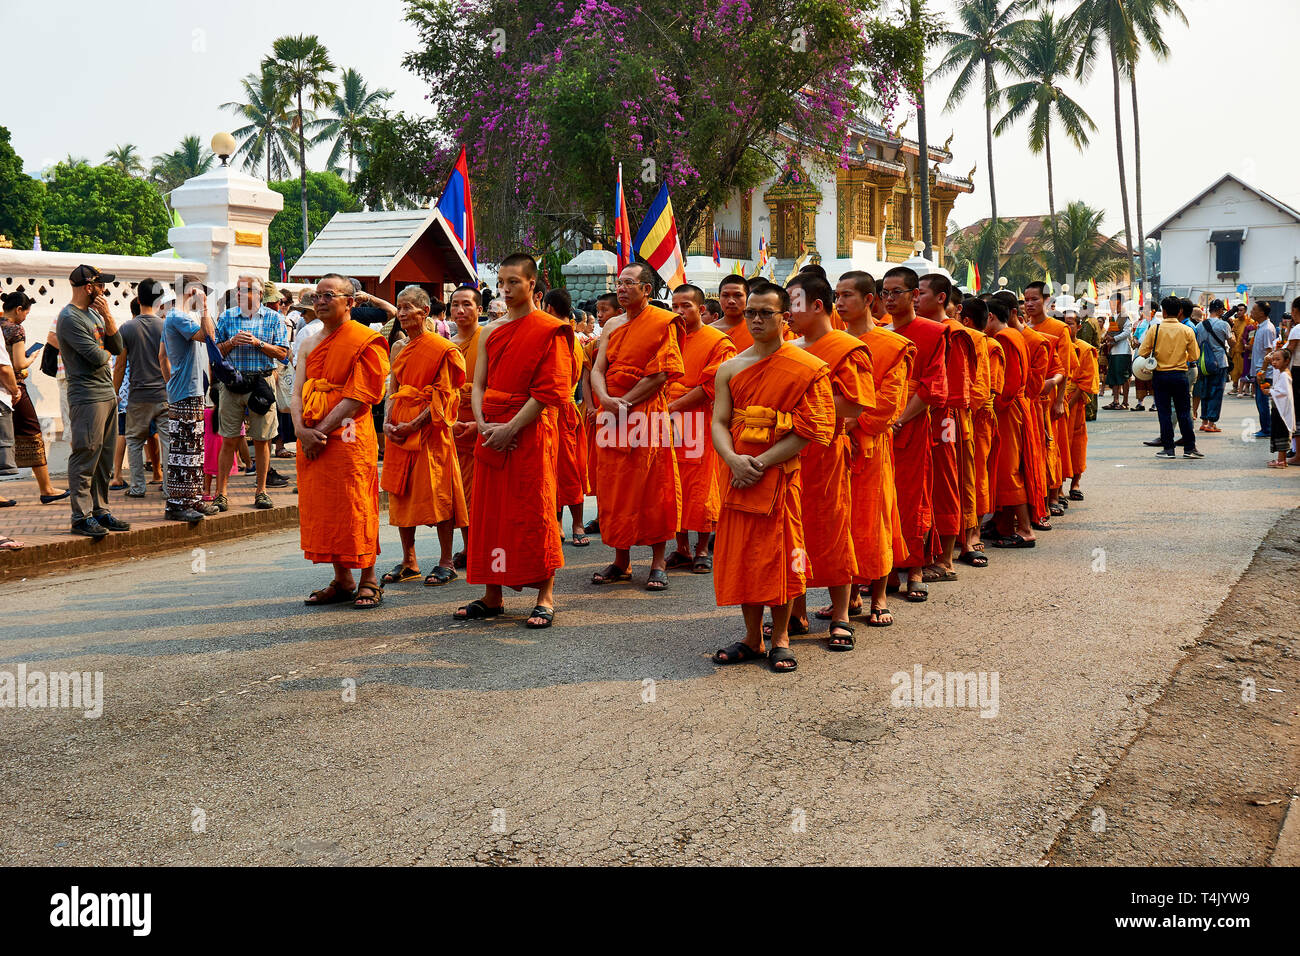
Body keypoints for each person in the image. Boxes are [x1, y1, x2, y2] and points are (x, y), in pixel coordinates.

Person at [710, 282, 835, 673]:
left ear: (785, 317)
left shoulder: (806, 366)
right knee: (744, 556)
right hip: (736, 475)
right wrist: (732, 459)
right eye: (751, 313)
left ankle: (780, 636)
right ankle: (751, 636)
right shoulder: (730, 368)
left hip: (777, 476)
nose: (757, 320)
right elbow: (718, 421)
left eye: (766, 312)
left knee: (780, 557)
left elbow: (811, 429)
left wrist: (759, 462)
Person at [454, 253, 573, 629]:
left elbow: (549, 390)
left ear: (532, 284)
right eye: (501, 282)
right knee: (490, 512)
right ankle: (493, 593)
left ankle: (545, 595)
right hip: (492, 427)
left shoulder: (549, 329)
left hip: (530, 430)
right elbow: (479, 384)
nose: (505, 290)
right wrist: (485, 422)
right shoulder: (491, 330)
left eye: (514, 283)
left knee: (534, 508)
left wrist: (511, 428)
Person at [783, 271, 871, 650]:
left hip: (827, 452)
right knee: (793, 533)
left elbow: (855, 402)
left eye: (794, 303)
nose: (787, 312)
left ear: (817, 306)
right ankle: (796, 611)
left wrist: (799, 404)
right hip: (789, 453)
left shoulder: (844, 347)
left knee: (833, 530)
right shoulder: (789, 347)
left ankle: (840, 615)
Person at [293, 273, 392, 609]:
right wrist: (300, 430)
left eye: (328, 295)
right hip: (311, 438)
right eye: (317, 296)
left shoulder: (366, 339)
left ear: (350, 302)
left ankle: (368, 578)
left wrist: (318, 429)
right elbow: (296, 392)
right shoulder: (307, 341)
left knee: (355, 505)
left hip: (349, 437)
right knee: (326, 506)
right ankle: (342, 578)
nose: (320, 302)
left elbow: (360, 396)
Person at [589, 262, 684, 592]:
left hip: (645, 413)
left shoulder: (662, 322)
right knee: (614, 485)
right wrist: (604, 398)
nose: (621, 288)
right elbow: (598, 368)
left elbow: (660, 374)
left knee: (652, 485)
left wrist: (624, 402)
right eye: (619, 283)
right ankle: (621, 559)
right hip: (611, 412)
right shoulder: (612, 324)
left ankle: (657, 562)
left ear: (646, 290)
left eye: (629, 283)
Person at [836, 270, 912, 627]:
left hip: (870, 445)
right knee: (840, 521)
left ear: (869, 300)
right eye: (836, 296)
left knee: (874, 519)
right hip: (835, 447)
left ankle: (878, 596)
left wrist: (852, 423)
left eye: (847, 295)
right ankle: (847, 594)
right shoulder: (830, 342)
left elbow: (889, 403)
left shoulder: (891, 345)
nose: (839, 303)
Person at [379, 286, 467, 587]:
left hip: (430, 432)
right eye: (399, 308)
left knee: (438, 493)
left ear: (424, 312)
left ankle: (445, 561)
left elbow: (444, 395)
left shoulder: (442, 348)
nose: (401, 314)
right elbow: (393, 388)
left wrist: (415, 424)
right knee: (400, 493)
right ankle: (409, 560)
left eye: (407, 308)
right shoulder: (398, 348)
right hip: (399, 431)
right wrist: (388, 422)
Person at [880, 266, 947, 603]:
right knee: (880, 498)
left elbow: (933, 385)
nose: (890, 299)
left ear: (914, 295)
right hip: (875, 427)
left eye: (897, 292)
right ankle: (886, 569)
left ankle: (915, 568)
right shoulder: (877, 332)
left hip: (912, 424)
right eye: (885, 293)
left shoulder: (933, 332)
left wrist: (900, 419)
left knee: (912, 497)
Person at [57, 265, 132, 537]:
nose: (104, 290)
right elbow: (100, 357)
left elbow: (118, 347)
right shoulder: (69, 318)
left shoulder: (95, 314)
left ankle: (101, 510)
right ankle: (81, 516)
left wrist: (109, 316)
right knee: (86, 454)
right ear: (89, 287)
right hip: (87, 396)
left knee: (104, 459)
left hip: (106, 394)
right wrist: (107, 346)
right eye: (101, 285)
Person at [664, 284, 735, 572]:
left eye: (686, 306)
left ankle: (702, 547)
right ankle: (680, 547)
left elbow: (712, 385)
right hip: (668, 419)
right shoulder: (667, 337)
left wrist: (674, 406)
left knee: (702, 486)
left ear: (701, 309)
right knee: (673, 482)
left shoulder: (717, 341)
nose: (679, 312)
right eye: (675, 306)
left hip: (700, 419)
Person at [214, 275, 290, 511]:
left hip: (261, 383)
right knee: (228, 439)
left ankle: (262, 491)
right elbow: (215, 352)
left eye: (245, 289)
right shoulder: (227, 317)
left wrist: (258, 343)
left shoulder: (274, 318)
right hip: (233, 383)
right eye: (237, 289)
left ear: (258, 294)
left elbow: (283, 354)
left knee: (262, 440)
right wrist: (231, 343)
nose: (239, 293)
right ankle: (221, 493)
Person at [917, 273, 975, 582]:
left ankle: (945, 559)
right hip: (917, 415)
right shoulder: (916, 330)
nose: (916, 298)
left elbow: (954, 389)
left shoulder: (953, 333)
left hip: (945, 417)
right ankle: (920, 553)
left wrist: (945, 429)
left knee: (946, 482)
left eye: (921, 293)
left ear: (941, 298)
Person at [160, 279, 219, 523]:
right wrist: (205, 307)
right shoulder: (178, 317)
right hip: (185, 391)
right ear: (192, 293)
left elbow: (162, 355)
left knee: (193, 449)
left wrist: (170, 382)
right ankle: (177, 503)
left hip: (186, 390)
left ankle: (191, 499)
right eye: (202, 295)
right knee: (183, 450)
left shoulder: (176, 317)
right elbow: (209, 336)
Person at [1, 290, 67, 502]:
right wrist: (32, 356)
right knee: (33, 432)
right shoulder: (15, 329)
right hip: (14, 387)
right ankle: (46, 488)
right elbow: (18, 364)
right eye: (26, 313)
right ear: (19, 310)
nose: (25, 317)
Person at [982, 297, 1036, 547]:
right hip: (1015, 406)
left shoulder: (1004, 338)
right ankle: (1004, 526)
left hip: (1008, 408)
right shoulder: (1016, 335)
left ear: (991, 317)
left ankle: (1025, 530)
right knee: (1007, 468)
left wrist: (993, 407)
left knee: (1008, 470)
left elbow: (1010, 383)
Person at [113, 278, 173, 501]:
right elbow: (170, 360)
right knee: (167, 441)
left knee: (134, 441)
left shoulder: (127, 328)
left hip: (138, 395)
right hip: (164, 393)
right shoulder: (165, 325)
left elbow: (120, 365)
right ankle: (169, 487)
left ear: (138, 300)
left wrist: (115, 391)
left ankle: (138, 487)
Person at [542, 288, 589, 547]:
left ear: (548, 307)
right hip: (550, 410)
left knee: (569, 470)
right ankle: (558, 523)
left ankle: (577, 523)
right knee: (552, 470)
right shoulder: (566, 335)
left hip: (562, 409)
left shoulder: (563, 337)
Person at [1139, 295, 1203, 460]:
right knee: (1184, 412)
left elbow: (1142, 352)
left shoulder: (1155, 329)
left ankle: (1168, 448)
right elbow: (1195, 355)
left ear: (1164, 311)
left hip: (1160, 375)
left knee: (1165, 413)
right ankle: (1190, 448)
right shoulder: (1187, 330)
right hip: (1180, 374)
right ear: (1180, 311)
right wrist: (1182, 357)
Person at [449, 285, 482, 569]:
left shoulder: (488, 339)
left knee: (484, 492)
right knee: (460, 491)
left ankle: (486, 544)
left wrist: (478, 423)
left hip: (484, 425)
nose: (460, 310)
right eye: (455, 305)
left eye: (467, 305)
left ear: (479, 309)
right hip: (454, 426)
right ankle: (469, 545)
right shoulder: (447, 344)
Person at [1061, 310, 1098, 499]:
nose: (1067, 328)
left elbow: (1085, 383)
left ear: (1079, 326)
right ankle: (1056, 488)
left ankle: (1075, 484)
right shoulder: (1057, 345)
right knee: (1058, 445)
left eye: (1071, 324)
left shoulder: (1085, 349)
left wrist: (1067, 404)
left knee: (1076, 444)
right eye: (1064, 324)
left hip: (1074, 404)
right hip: (1057, 402)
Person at [1195, 300, 1233, 433]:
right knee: (1216, 393)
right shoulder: (1224, 324)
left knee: (1205, 391)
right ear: (1219, 310)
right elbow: (1232, 343)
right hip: (1219, 363)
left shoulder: (1199, 326)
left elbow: (1197, 343)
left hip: (1204, 364)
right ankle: (1211, 424)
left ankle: (1204, 421)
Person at [1248, 302, 1277, 438]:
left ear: (1262, 313)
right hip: (1259, 370)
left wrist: (1263, 371)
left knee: (1262, 401)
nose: (1251, 312)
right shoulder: (1260, 327)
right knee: (1260, 401)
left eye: (1254, 309)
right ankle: (1265, 428)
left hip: (1263, 372)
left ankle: (1267, 429)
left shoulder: (1267, 329)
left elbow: (1269, 352)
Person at [709, 274, 753, 351]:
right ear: (719, 298)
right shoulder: (709, 331)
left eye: (738, 295)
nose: (731, 301)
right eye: (725, 295)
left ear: (747, 298)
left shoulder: (756, 329)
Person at [1267, 348, 1295, 468]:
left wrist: (1270, 391)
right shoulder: (1282, 373)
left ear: (1286, 361)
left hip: (1281, 410)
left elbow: (1284, 392)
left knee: (1281, 433)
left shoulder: (1284, 375)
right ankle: (1281, 459)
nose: (1274, 362)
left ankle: (1281, 460)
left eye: (1278, 360)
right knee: (1279, 433)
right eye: (1273, 359)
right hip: (1279, 408)